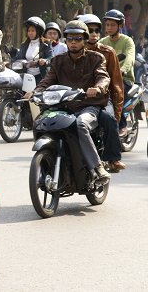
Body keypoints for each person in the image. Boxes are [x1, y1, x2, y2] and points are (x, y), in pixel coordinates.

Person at [35, 20, 111, 182]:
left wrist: (97, 88)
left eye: (77, 39)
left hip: (88, 106)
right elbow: (47, 80)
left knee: (81, 124)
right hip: (63, 107)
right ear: (65, 41)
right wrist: (36, 92)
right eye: (70, 39)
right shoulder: (58, 60)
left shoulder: (96, 58)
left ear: (84, 40)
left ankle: (97, 167)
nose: (73, 42)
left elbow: (103, 77)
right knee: (41, 122)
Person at [78, 14, 126, 172]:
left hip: (102, 99)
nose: (93, 33)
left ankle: (113, 159)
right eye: (89, 30)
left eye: (96, 30)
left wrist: (117, 114)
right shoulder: (71, 51)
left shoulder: (107, 52)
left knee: (109, 119)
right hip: (76, 99)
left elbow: (116, 84)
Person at [100, 9, 135, 137]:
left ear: (120, 26)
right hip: (105, 78)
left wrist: (122, 70)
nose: (109, 28)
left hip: (124, 78)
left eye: (113, 25)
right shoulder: (102, 42)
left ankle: (122, 124)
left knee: (115, 95)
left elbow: (130, 58)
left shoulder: (127, 41)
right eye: (107, 25)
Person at [16, 16, 52, 84]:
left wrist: (45, 61)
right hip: (26, 76)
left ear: (38, 31)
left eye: (33, 30)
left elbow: (52, 58)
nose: (30, 33)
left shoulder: (46, 43)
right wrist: (8, 62)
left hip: (41, 76)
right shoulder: (24, 45)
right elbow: (18, 58)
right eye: (29, 31)